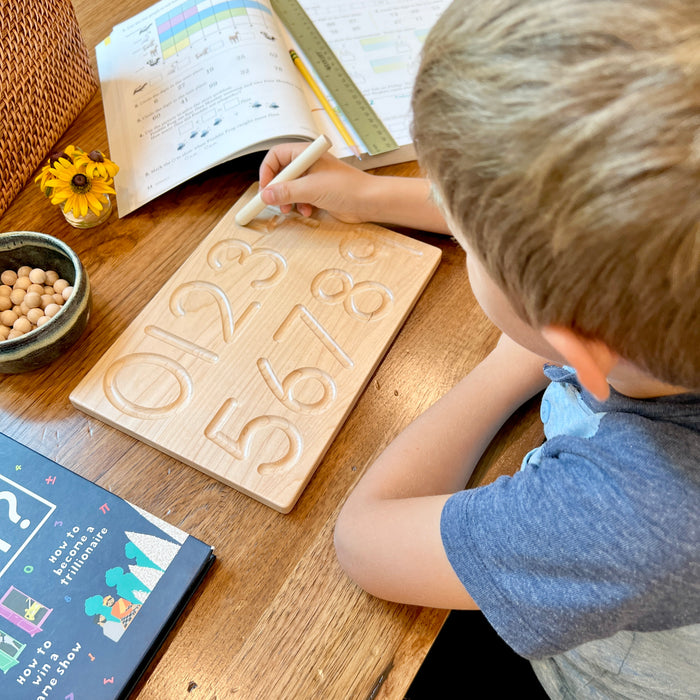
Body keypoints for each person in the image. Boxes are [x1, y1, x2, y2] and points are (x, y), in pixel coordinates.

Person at [255, 0, 700, 697]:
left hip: (623, 659)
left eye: (467, 243)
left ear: (577, 344)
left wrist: (506, 368)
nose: (463, 238)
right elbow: (553, 210)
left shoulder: (630, 515)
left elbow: (366, 542)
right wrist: (369, 194)